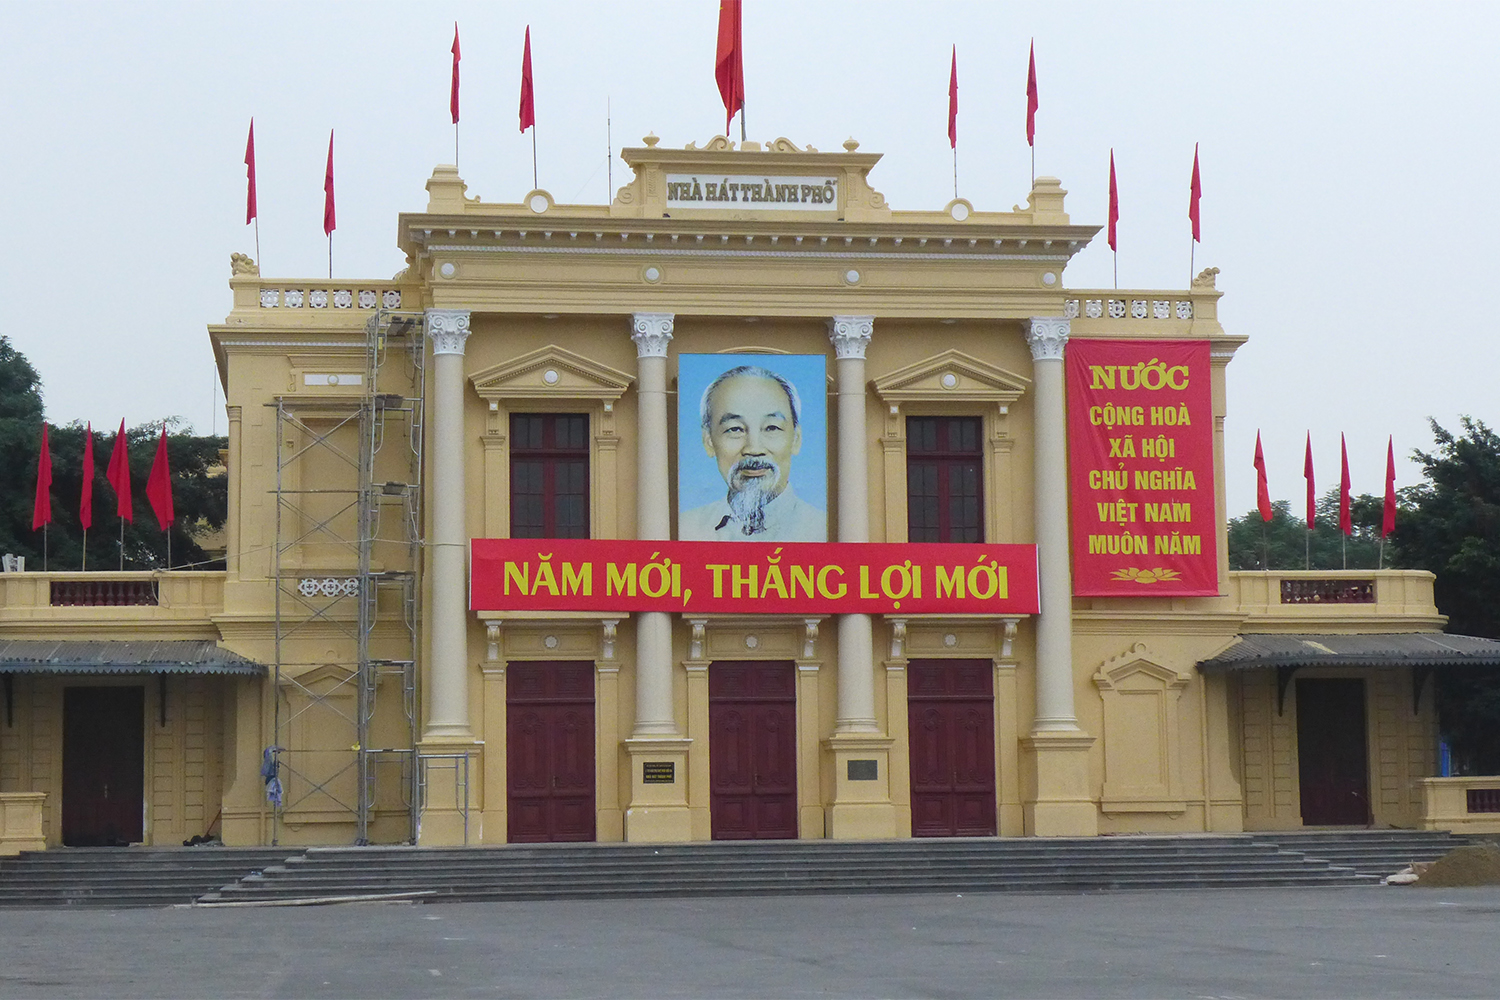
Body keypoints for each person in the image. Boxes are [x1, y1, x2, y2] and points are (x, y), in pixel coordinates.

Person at [679, 364, 826, 541]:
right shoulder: (687, 530)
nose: (754, 449)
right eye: (735, 429)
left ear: (796, 439)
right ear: (708, 441)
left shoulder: (822, 530)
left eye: (771, 427)